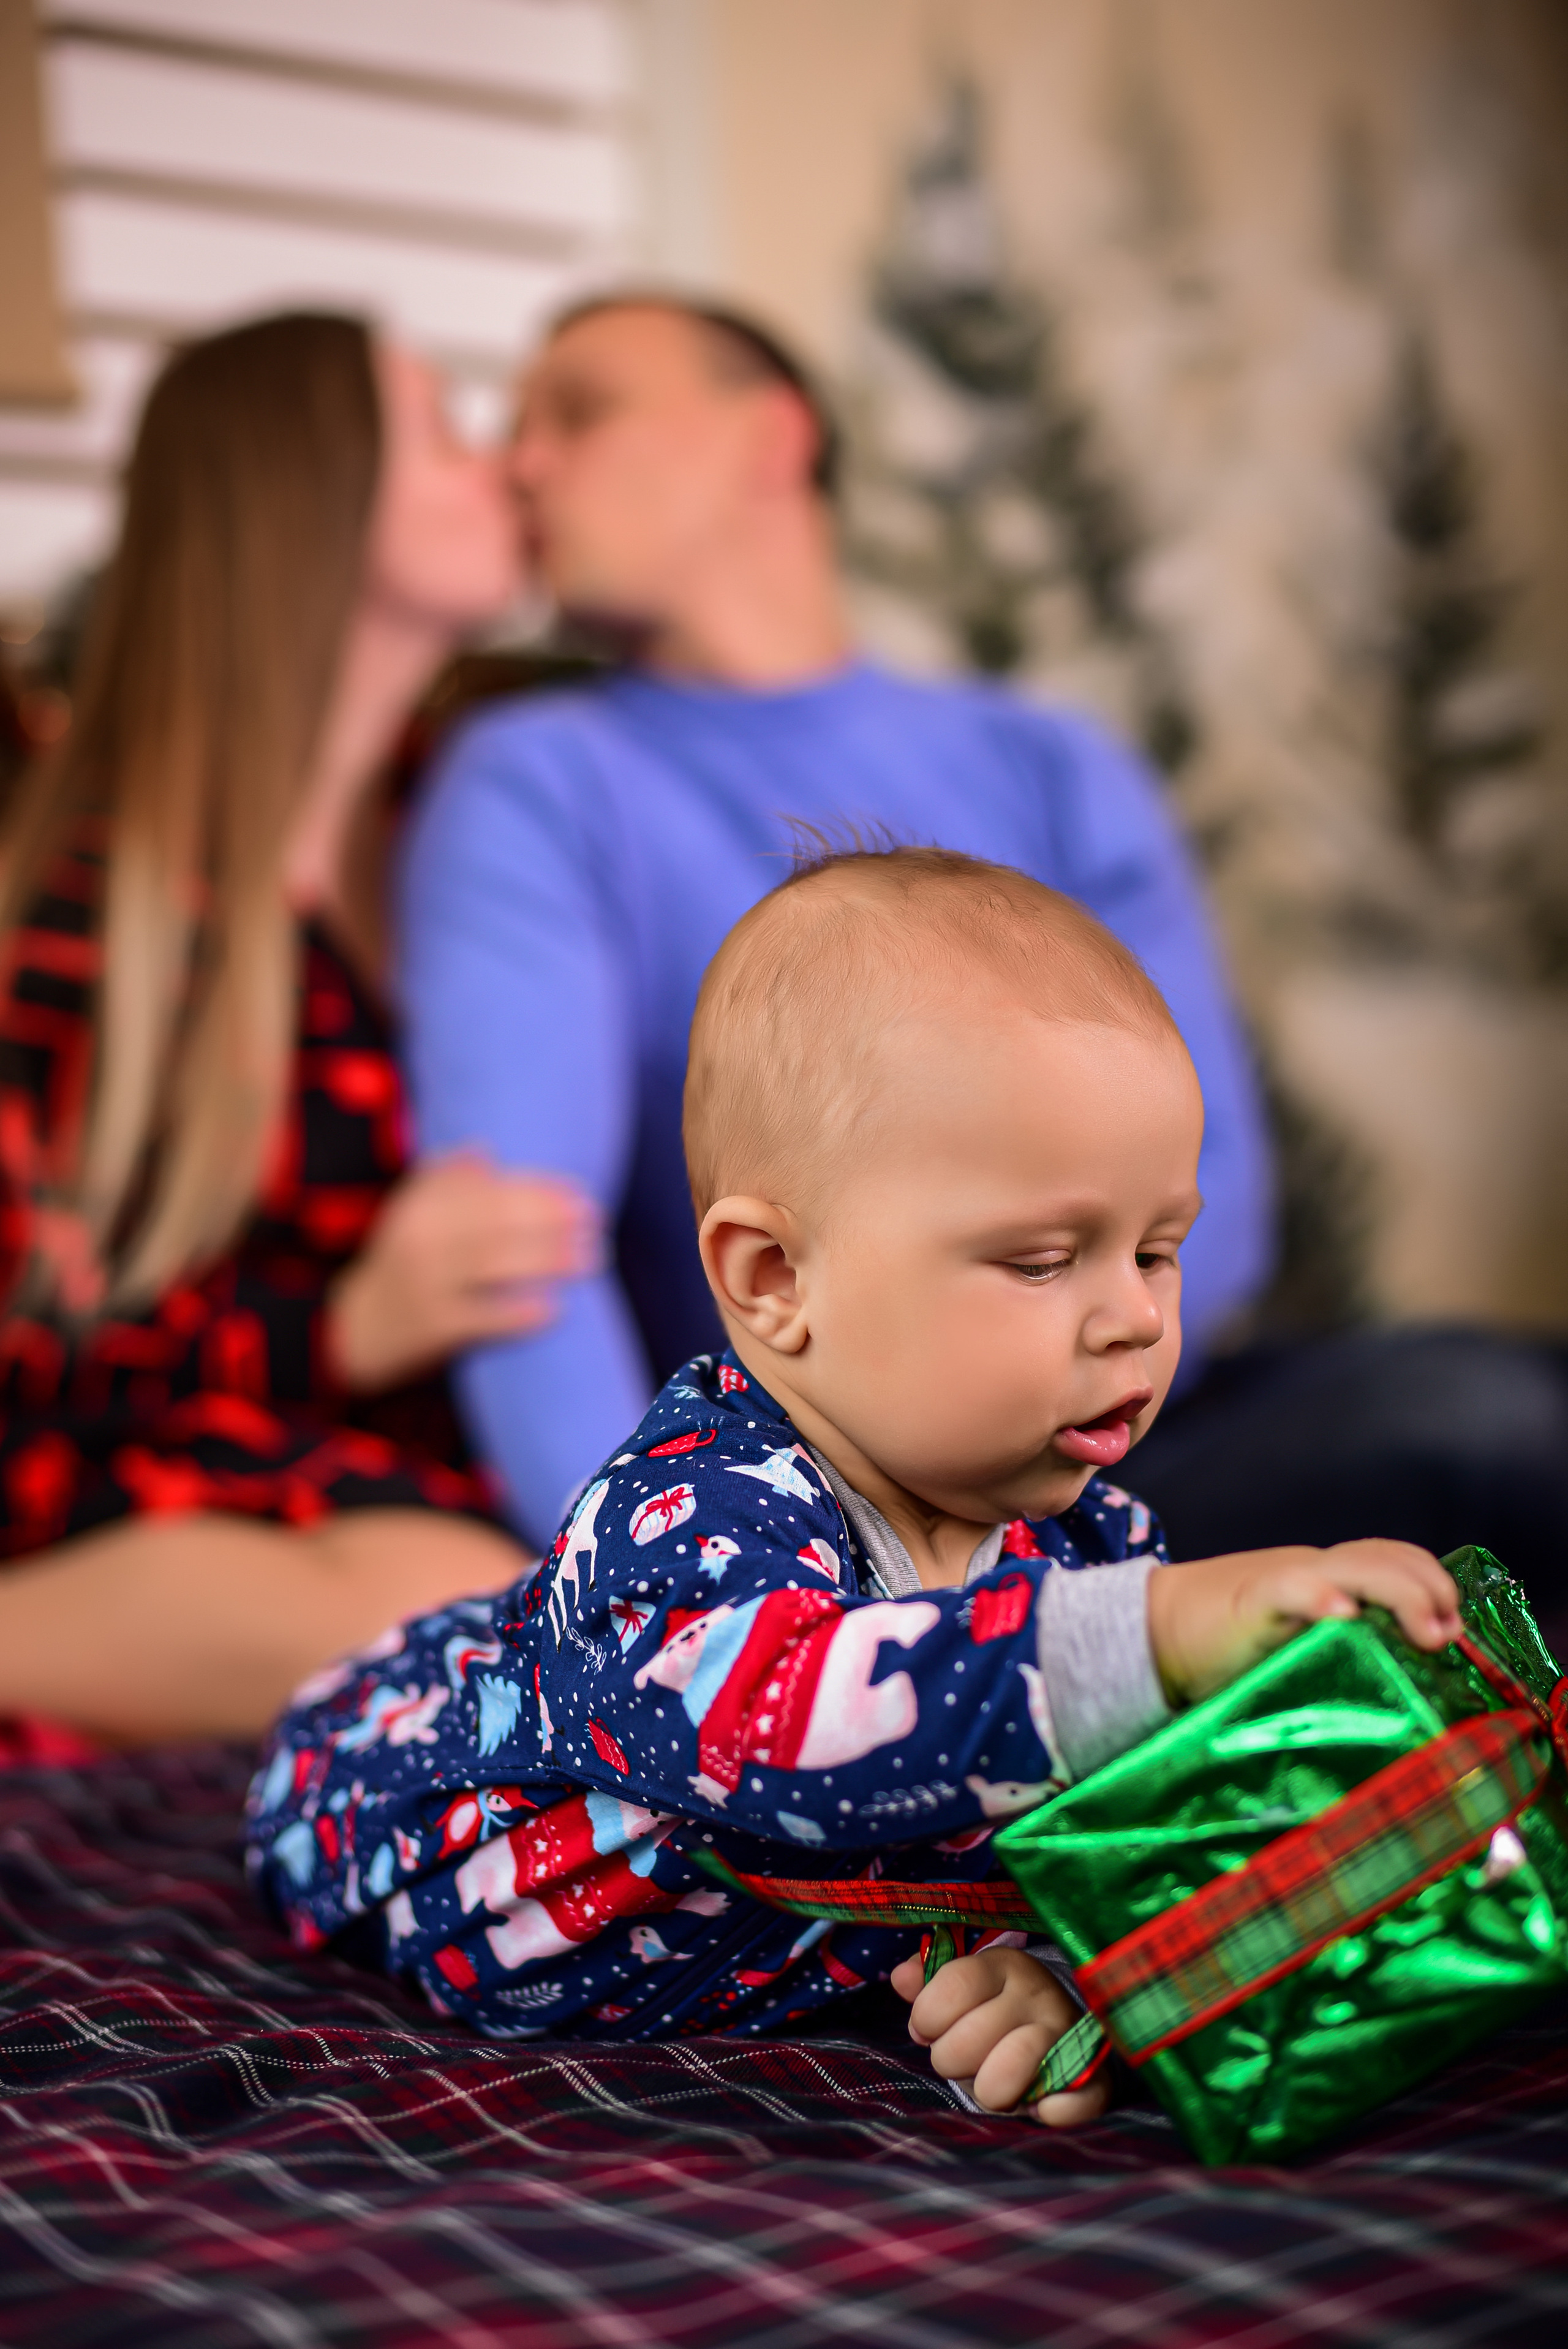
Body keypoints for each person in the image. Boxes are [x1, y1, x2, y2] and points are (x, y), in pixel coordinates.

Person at [402, 290, 1568, 1613]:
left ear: (768, 438)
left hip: (1118, 1438)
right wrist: (661, 1607)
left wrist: (1057, 1404)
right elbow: (517, 1260)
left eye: (579, 412)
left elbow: (1211, 1195)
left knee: (1505, 1402)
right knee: (1482, 1423)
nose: (523, 462)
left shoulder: (1047, 762)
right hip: (814, 1508)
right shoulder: (540, 784)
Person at [251, 849, 1455, 2122]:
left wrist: (1064, 1973)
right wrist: (1159, 1637)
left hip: (784, 1926)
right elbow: (791, 1737)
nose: (1132, 1321)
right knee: (504, 1680)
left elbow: (1118, 1825)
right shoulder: (690, 1507)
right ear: (774, 1281)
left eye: (1156, 1251)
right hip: (397, 1791)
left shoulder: (1091, 1546)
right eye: (1043, 1260)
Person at [0, 312, 598, 1748]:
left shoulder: (466, 823)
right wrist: (337, 1328)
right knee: (502, 1643)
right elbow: (31, 1381)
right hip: (125, 1532)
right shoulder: (101, 922)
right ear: (313, 496)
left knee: (507, 1611)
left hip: (379, 1511)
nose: (508, 468)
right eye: (448, 433)